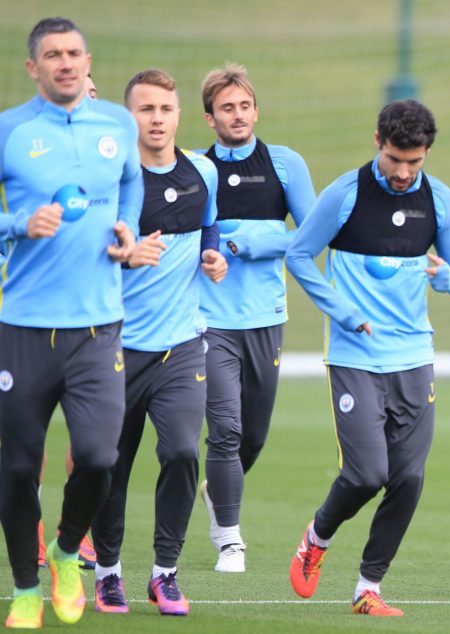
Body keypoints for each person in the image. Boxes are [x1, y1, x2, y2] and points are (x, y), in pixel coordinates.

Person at [285, 99, 450, 616]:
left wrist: (448, 278)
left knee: (408, 479)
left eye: (415, 161)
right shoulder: (344, 195)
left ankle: (368, 587)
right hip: (355, 355)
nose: (404, 172)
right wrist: (341, 310)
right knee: (367, 473)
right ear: (377, 142)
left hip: (414, 356)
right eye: (395, 159)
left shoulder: (441, 201)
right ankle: (317, 538)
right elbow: (299, 254)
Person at [0, 17, 142, 628]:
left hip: (97, 329)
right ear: (33, 68)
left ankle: (64, 552)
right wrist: (16, 224)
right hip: (24, 329)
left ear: (88, 62)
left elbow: (132, 185)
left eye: (74, 53)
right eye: (53, 55)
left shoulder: (117, 124)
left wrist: (128, 230)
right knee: (17, 466)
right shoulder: (9, 130)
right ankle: (26, 589)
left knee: (99, 457)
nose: (66, 62)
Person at [89, 69, 226, 617]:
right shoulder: (112, 181)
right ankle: (107, 573)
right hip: (116, 347)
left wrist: (213, 257)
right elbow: (85, 253)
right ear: (129, 119)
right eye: (146, 110)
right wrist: (122, 256)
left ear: (178, 115)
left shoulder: (204, 173)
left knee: (181, 452)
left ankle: (165, 573)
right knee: (110, 464)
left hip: (182, 345)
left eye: (165, 109)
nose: (157, 119)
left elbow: (210, 227)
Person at [197, 63, 316, 573]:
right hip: (208, 321)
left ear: (256, 110)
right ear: (210, 118)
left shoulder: (285, 164)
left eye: (245, 106)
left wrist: (249, 243)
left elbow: (314, 235)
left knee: (253, 437)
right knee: (223, 431)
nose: (238, 115)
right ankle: (230, 540)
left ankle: (215, 488)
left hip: (266, 319)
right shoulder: (196, 172)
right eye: (227, 108)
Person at [35, 69, 101, 573]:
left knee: (91, 443)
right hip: (29, 321)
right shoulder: (29, 160)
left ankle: (74, 535)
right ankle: (33, 527)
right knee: (25, 438)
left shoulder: (120, 170)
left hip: (95, 325)